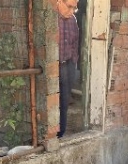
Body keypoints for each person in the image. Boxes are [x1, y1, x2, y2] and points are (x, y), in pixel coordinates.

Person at [56, 0, 79, 138]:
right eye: (69, 6)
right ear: (59, 2)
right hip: (56, 65)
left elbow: (75, 42)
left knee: (64, 100)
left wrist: (74, 61)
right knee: (54, 99)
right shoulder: (51, 18)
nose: (71, 11)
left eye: (74, 8)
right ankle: (52, 132)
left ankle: (61, 132)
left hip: (69, 64)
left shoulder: (73, 20)